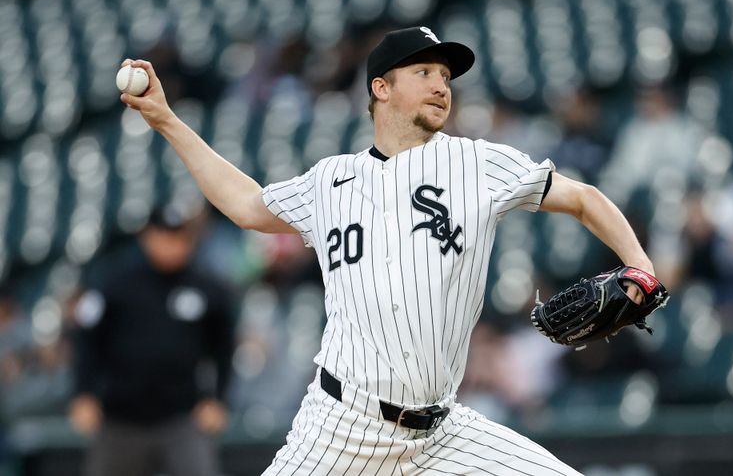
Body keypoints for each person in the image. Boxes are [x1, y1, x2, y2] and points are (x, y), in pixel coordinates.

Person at [120, 26, 655, 475]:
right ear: (380, 87)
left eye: (445, 77)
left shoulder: (478, 163)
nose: (441, 85)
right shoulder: (331, 181)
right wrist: (166, 119)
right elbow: (245, 203)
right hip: (339, 429)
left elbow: (583, 199)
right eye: (424, 73)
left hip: (441, 434)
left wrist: (642, 268)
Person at [68, 205, 235, 476]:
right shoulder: (115, 282)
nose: (171, 245)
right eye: (163, 236)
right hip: (120, 418)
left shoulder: (207, 287)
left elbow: (224, 348)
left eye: (178, 237)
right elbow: (86, 339)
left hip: (182, 416)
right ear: (147, 237)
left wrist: (219, 400)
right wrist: (83, 393)